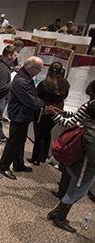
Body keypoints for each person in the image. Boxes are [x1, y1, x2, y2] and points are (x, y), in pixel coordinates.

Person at [47, 97, 95, 233]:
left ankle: (56, 212)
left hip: (77, 166)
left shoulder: (86, 124)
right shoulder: (92, 133)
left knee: (77, 192)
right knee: (75, 193)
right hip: (83, 169)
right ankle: (59, 219)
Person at [45, 80, 95, 200]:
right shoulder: (91, 104)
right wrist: (63, 113)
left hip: (79, 143)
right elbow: (78, 116)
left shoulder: (90, 106)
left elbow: (70, 123)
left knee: (72, 170)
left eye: (88, 85)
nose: (86, 86)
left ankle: (63, 197)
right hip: (84, 144)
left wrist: (54, 114)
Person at [0, 56, 44, 180]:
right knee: (13, 142)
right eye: (38, 68)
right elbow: (32, 101)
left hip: (22, 115)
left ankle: (18, 164)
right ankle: (4, 166)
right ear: (29, 67)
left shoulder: (25, 77)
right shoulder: (22, 81)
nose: (40, 71)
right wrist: (40, 102)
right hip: (19, 116)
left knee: (20, 141)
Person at [27, 62, 70, 165]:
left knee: (39, 135)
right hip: (56, 112)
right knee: (47, 133)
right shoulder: (65, 84)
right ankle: (43, 156)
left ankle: (36, 158)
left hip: (43, 112)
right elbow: (64, 97)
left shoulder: (45, 83)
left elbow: (37, 96)